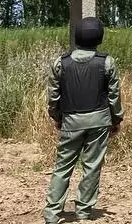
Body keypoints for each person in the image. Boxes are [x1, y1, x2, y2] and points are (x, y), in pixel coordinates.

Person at [43, 17, 123, 224]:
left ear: (77, 36)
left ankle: (52, 213)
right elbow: (114, 96)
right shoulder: (106, 62)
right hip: (99, 121)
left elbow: (53, 95)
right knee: (92, 167)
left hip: (71, 122)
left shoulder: (61, 62)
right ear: (99, 37)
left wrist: (57, 117)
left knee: (62, 167)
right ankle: (84, 212)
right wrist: (116, 120)